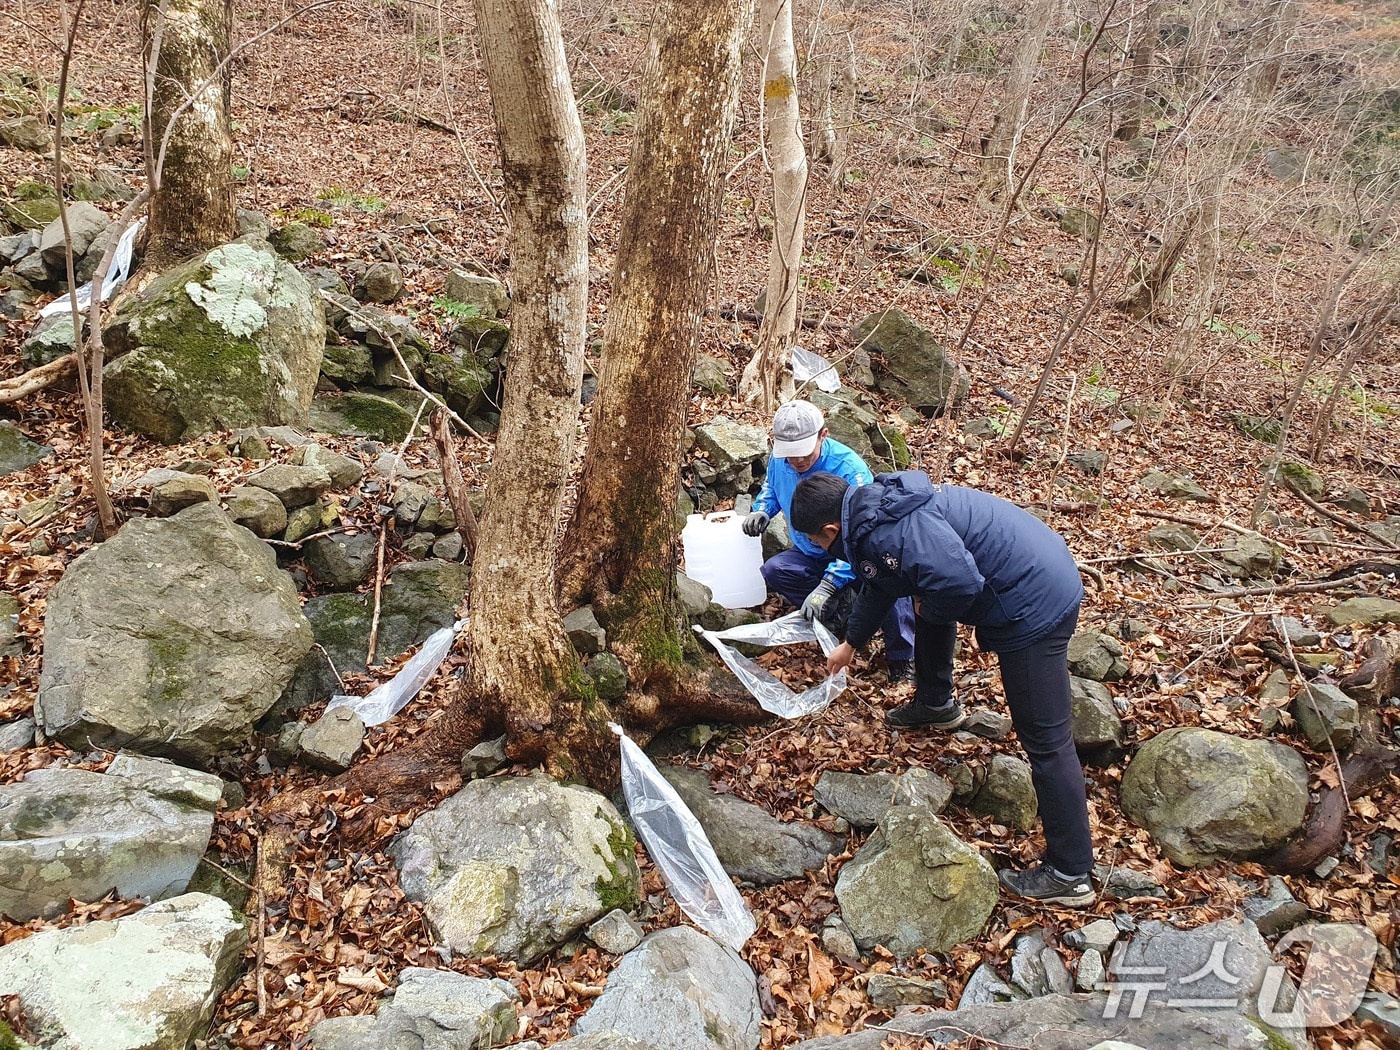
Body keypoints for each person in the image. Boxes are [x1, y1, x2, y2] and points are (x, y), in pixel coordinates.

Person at [789, 469, 1095, 906]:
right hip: (1032, 564)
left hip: (1034, 597)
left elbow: (960, 583)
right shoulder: (872, 513)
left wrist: (933, 604)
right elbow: (879, 585)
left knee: (1046, 740)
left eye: (818, 542)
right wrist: (850, 644)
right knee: (930, 608)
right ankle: (936, 703)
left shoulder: (888, 530)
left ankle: (1071, 871)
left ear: (830, 530)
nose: (820, 550)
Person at [742, 401, 916, 683]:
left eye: (803, 452)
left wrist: (830, 582)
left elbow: (864, 535)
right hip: (811, 547)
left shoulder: (849, 470)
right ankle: (841, 617)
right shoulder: (779, 460)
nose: (796, 461)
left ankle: (903, 659)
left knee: (891, 584)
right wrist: (762, 510)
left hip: (856, 555)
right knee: (776, 570)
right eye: (789, 454)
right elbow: (772, 488)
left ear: (824, 435)